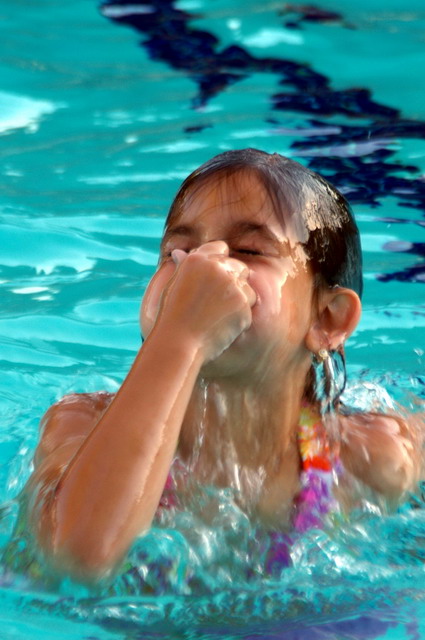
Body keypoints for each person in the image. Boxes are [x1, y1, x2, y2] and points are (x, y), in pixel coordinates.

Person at [22, 149, 423, 584]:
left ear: (327, 320)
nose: (201, 269)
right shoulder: (80, 425)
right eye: (178, 251)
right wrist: (181, 335)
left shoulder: (365, 458)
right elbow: (79, 560)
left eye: (249, 250)